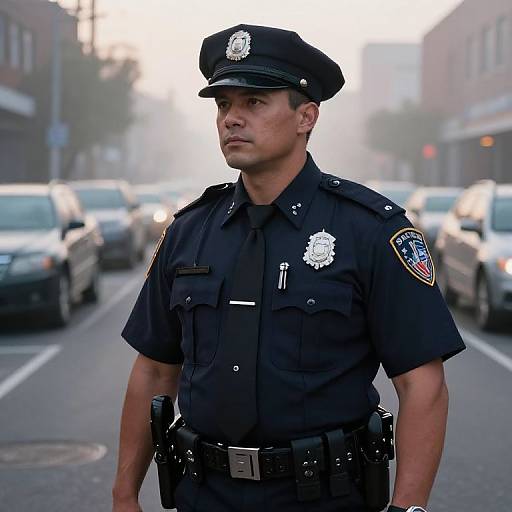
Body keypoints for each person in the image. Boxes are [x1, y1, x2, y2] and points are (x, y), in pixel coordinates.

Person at [112, 24, 465, 512]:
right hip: (203, 494)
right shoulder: (190, 231)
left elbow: (421, 382)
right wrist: (124, 494)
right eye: (222, 105)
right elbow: (153, 369)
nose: (232, 119)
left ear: (306, 116)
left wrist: (409, 509)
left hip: (324, 496)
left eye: (253, 102)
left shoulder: (370, 231)